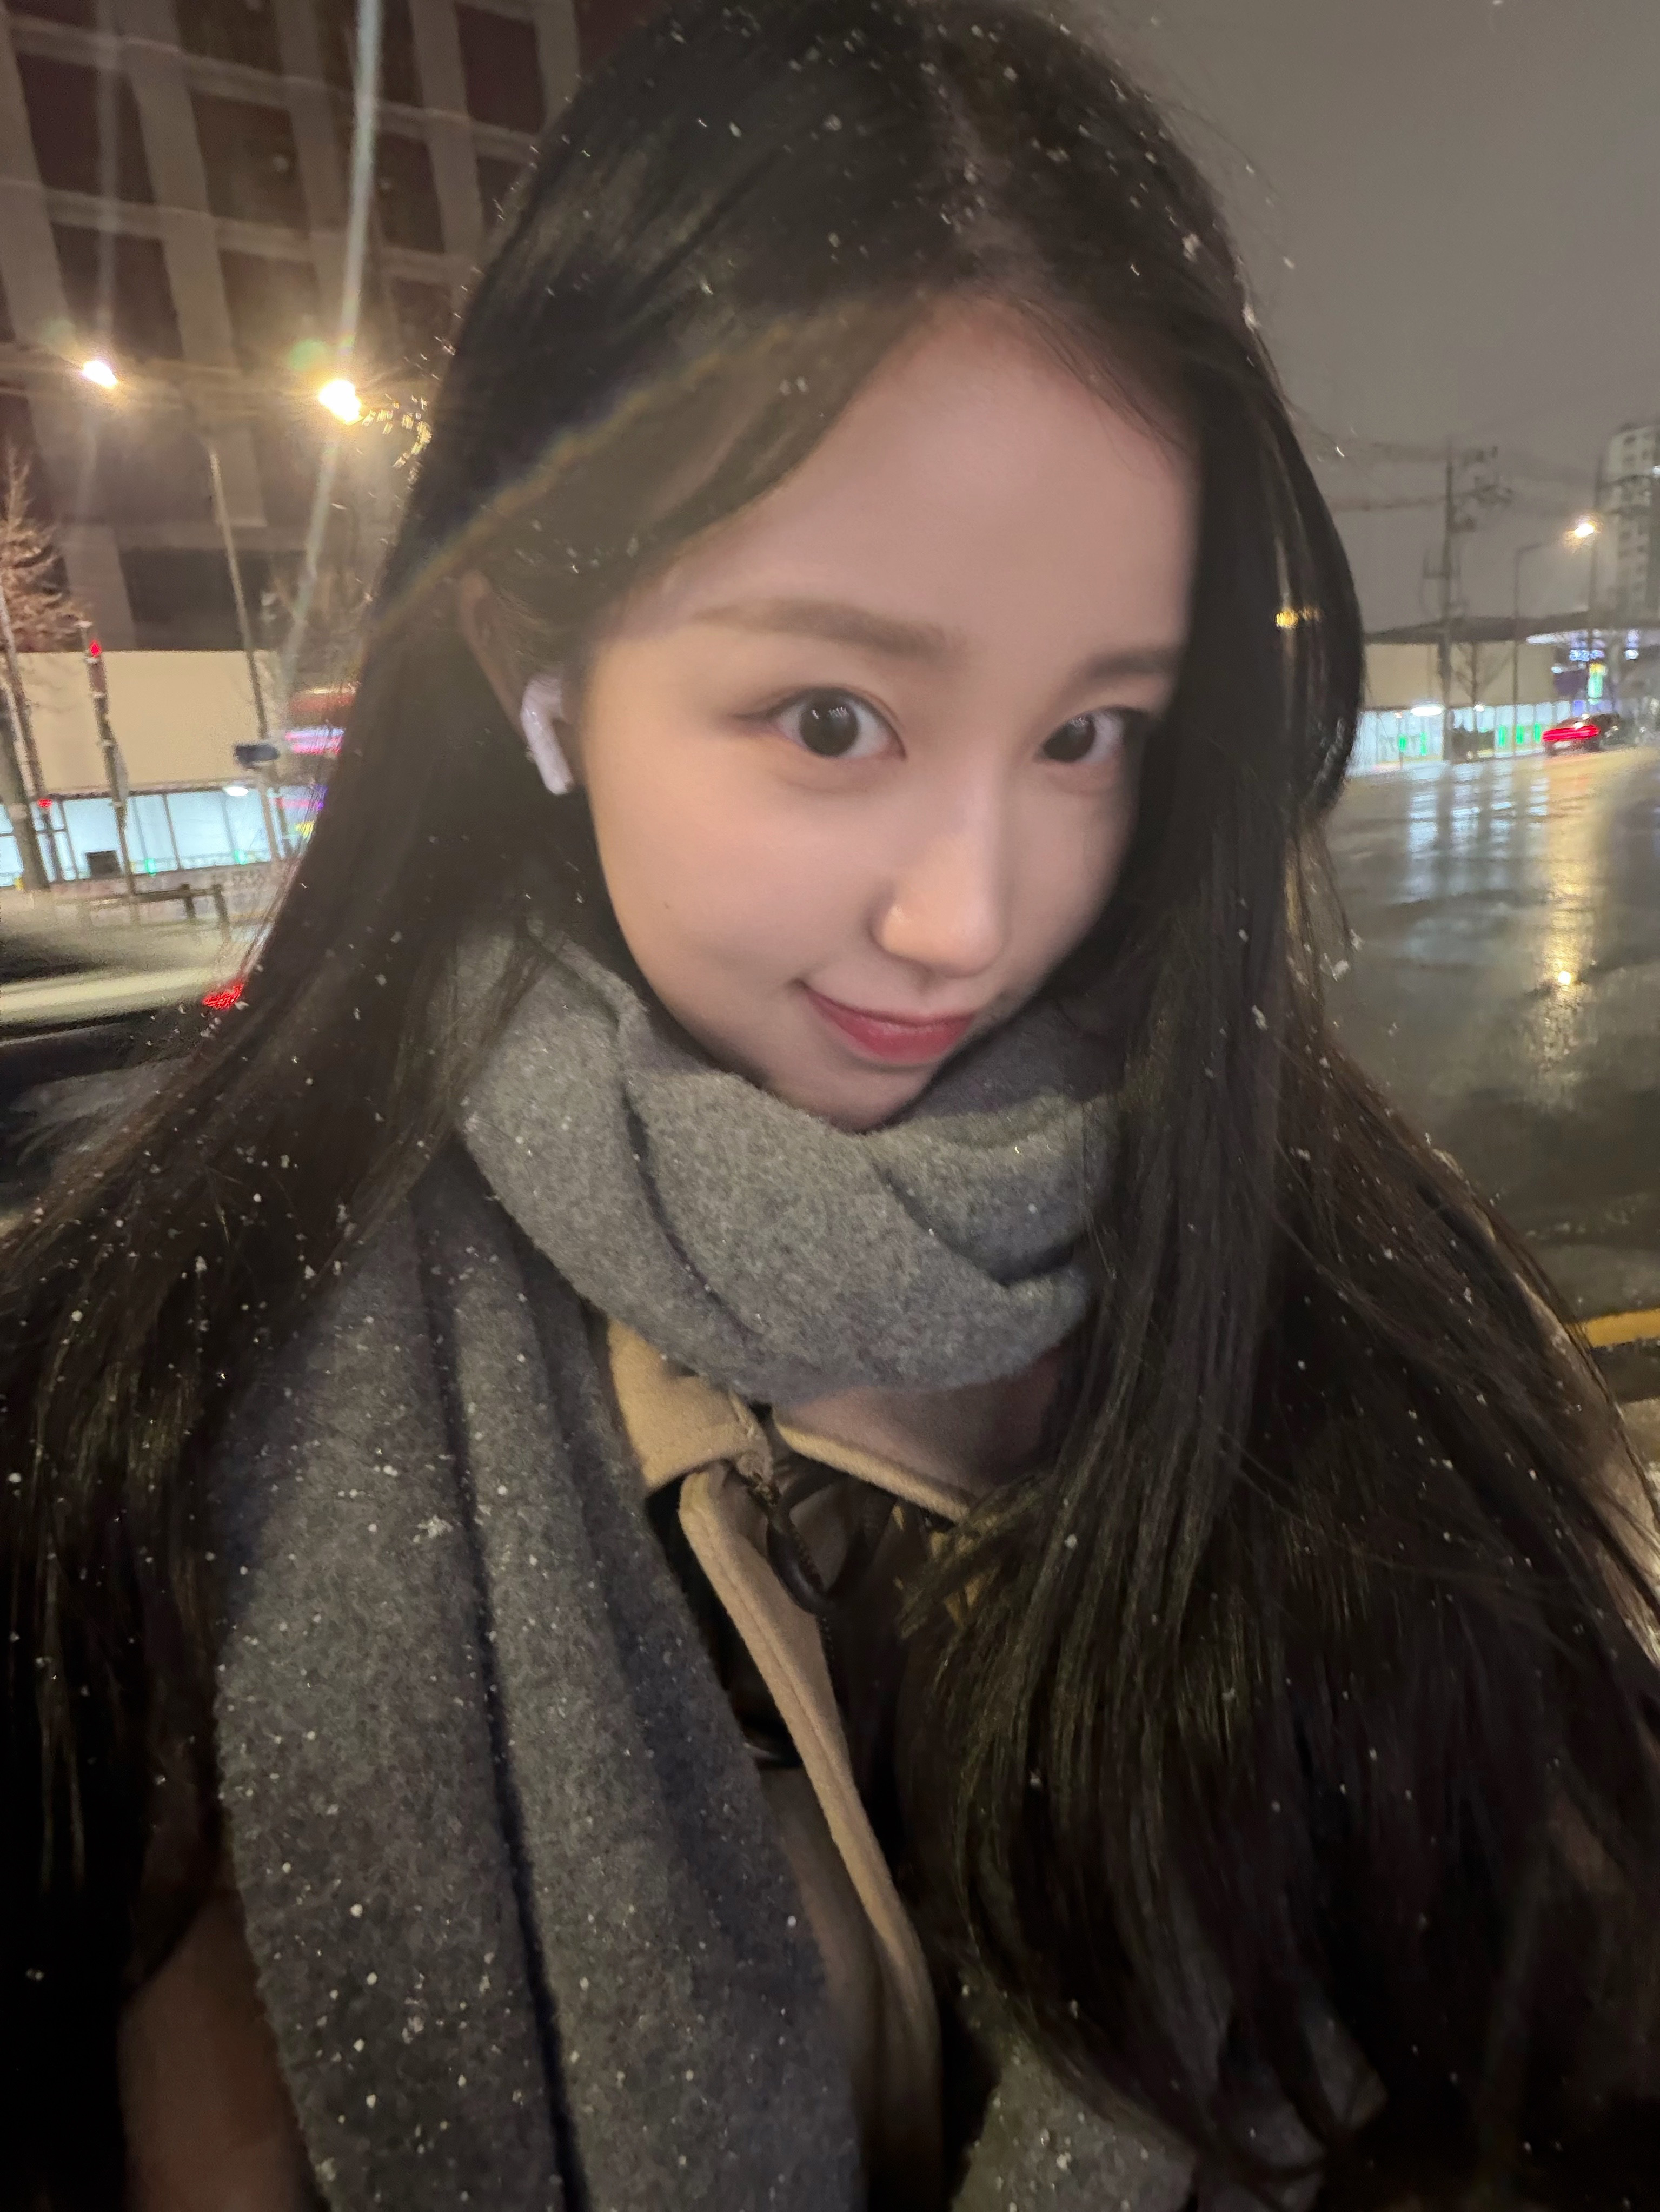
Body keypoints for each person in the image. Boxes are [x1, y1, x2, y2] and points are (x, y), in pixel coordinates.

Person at [3, 2, 1659, 2206]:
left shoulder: (1386, 1323)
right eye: (829, 718)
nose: (969, 919)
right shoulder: (182, 1407)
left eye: (1090, 735)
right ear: (528, 658)